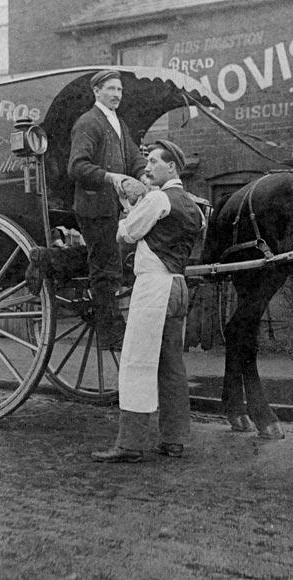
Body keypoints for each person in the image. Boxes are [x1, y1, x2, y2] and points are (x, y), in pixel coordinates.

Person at [91, 140, 203, 463]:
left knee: (135, 363)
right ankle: (174, 439)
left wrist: (128, 208)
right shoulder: (192, 205)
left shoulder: (157, 198)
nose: (148, 167)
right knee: (171, 366)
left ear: (172, 167)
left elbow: (125, 233)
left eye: (154, 161)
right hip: (178, 286)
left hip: (153, 287)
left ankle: (130, 443)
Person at [67, 69, 147, 349]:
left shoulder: (117, 122)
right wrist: (112, 178)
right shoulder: (88, 123)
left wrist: (145, 176)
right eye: (111, 89)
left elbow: (134, 156)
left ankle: (115, 321)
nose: (116, 94)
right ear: (97, 91)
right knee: (105, 267)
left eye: (120, 90)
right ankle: (108, 332)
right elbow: (77, 166)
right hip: (94, 206)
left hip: (115, 207)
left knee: (119, 263)